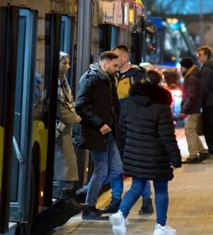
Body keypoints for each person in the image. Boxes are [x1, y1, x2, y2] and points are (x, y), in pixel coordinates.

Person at [110, 70, 181, 235]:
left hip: (135, 153)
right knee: (161, 189)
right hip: (157, 155)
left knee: (137, 186)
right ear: (159, 84)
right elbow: (166, 136)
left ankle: (121, 214)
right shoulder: (162, 106)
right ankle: (160, 227)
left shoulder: (129, 102)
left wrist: (124, 149)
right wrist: (175, 158)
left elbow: (122, 130)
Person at [102, 45, 154, 216]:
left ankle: (147, 201)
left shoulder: (138, 76)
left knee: (138, 167)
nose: (113, 59)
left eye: (115, 56)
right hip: (116, 130)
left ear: (124, 57)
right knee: (116, 168)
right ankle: (116, 199)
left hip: (133, 131)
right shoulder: (111, 76)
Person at [73, 51, 122, 220]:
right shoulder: (90, 79)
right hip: (97, 132)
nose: (117, 69)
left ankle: (87, 191)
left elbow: (113, 107)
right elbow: (80, 105)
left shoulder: (109, 80)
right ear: (105, 64)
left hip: (109, 133)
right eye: (115, 66)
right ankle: (89, 207)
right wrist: (100, 123)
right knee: (101, 170)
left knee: (116, 168)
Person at [53, 52, 82, 202]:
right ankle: (66, 196)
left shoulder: (62, 80)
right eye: (64, 63)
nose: (68, 66)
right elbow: (59, 105)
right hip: (60, 128)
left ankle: (67, 194)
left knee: (67, 160)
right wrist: (73, 117)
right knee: (65, 161)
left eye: (68, 63)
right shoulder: (55, 81)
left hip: (64, 127)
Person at [178, 57, 209, 164]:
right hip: (193, 108)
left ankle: (193, 155)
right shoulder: (192, 76)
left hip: (191, 109)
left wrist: (185, 109)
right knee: (192, 131)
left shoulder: (191, 78)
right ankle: (203, 151)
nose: (180, 69)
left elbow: (191, 96)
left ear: (185, 67)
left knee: (189, 131)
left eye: (181, 67)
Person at [196, 46, 213, 160]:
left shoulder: (206, 70)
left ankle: (211, 152)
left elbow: (203, 88)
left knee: (208, 128)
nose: (198, 57)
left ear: (206, 55)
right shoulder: (211, 68)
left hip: (208, 103)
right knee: (210, 127)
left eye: (200, 54)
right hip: (212, 102)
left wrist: (199, 102)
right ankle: (212, 151)